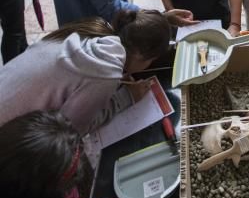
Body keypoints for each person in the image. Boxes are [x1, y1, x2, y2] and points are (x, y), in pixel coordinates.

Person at [0, 8, 170, 134]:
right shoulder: (106, 71)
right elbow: (70, 130)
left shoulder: (92, 32)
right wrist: (127, 97)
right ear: (142, 56)